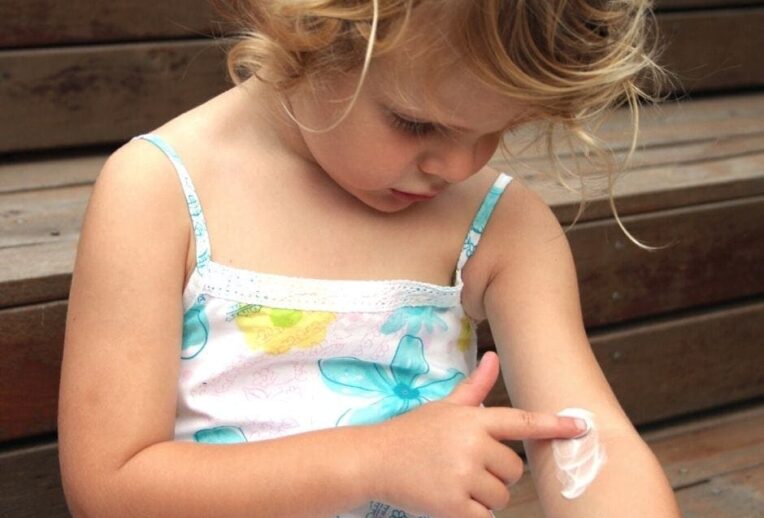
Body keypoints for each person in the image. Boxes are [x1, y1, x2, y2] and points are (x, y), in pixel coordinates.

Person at [58, 1, 680, 517]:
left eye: (498, 129)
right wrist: (370, 462)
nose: (458, 166)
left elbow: (591, 439)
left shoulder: (498, 224)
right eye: (414, 123)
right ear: (308, 30)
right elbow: (110, 487)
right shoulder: (159, 192)